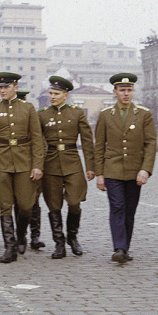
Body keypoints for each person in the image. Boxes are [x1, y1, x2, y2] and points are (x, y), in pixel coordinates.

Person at [0, 72, 45, 263]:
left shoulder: (28, 108)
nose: (2, 91)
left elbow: (36, 139)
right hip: (0, 162)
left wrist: (37, 165)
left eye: (6, 87)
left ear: (15, 88)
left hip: (24, 162)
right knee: (5, 206)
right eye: (0, 88)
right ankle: (10, 247)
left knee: (25, 206)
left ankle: (22, 235)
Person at [94, 73, 156, 263]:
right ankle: (119, 248)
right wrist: (100, 174)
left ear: (133, 92)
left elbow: (151, 143)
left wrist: (145, 169)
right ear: (115, 92)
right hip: (112, 169)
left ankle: (125, 248)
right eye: (122, 90)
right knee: (118, 207)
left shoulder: (144, 114)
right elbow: (99, 146)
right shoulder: (105, 115)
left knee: (130, 210)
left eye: (129, 90)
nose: (126, 94)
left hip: (135, 170)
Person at [38, 77, 95, 259]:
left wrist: (90, 167)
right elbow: (38, 143)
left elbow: (87, 141)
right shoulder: (43, 114)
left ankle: (72, 236)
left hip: (72, 162)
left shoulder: (77, 114)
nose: (52, 97)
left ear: (66, 94)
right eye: (51, 93)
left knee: (74, 202)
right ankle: (59, 243)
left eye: (56, 94)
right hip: (50, 163)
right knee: (54, 205)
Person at [15, 90, 46, 250]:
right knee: (18, 203)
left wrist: (39, 164)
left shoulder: (34, 118)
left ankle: (35, 236)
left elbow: (40, 141)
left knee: (34, 202)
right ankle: (20, 237)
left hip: (33, 166)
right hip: (17, 165)